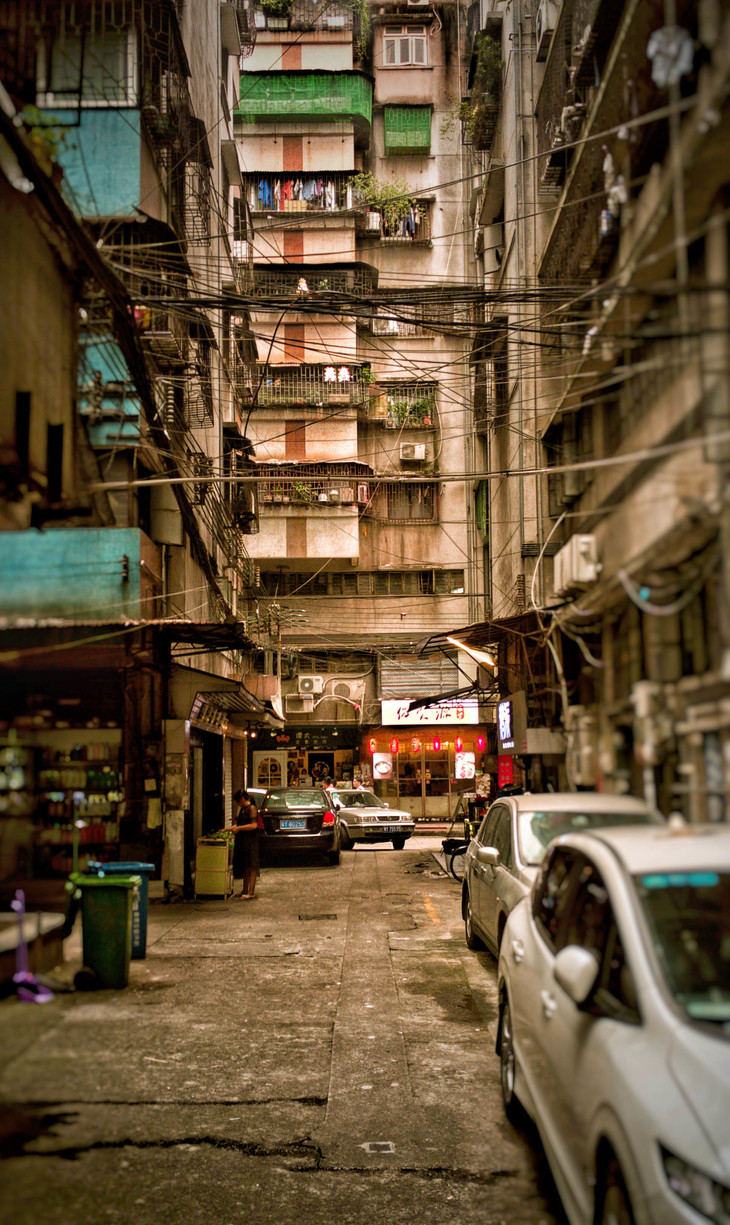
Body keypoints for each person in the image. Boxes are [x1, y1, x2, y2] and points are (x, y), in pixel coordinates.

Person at [231, 789, 260, 900]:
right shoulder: (242, 809)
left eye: (238, 802)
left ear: (242, 799)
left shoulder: (251, 808)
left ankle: (251, 892)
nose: (238, 804)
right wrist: (227, 829)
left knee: (251, 866)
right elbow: (238, 824)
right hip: (243, 840)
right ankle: (244, 890)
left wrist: (239, 828)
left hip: (251, 840)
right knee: (245, 866)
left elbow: (254, 825)